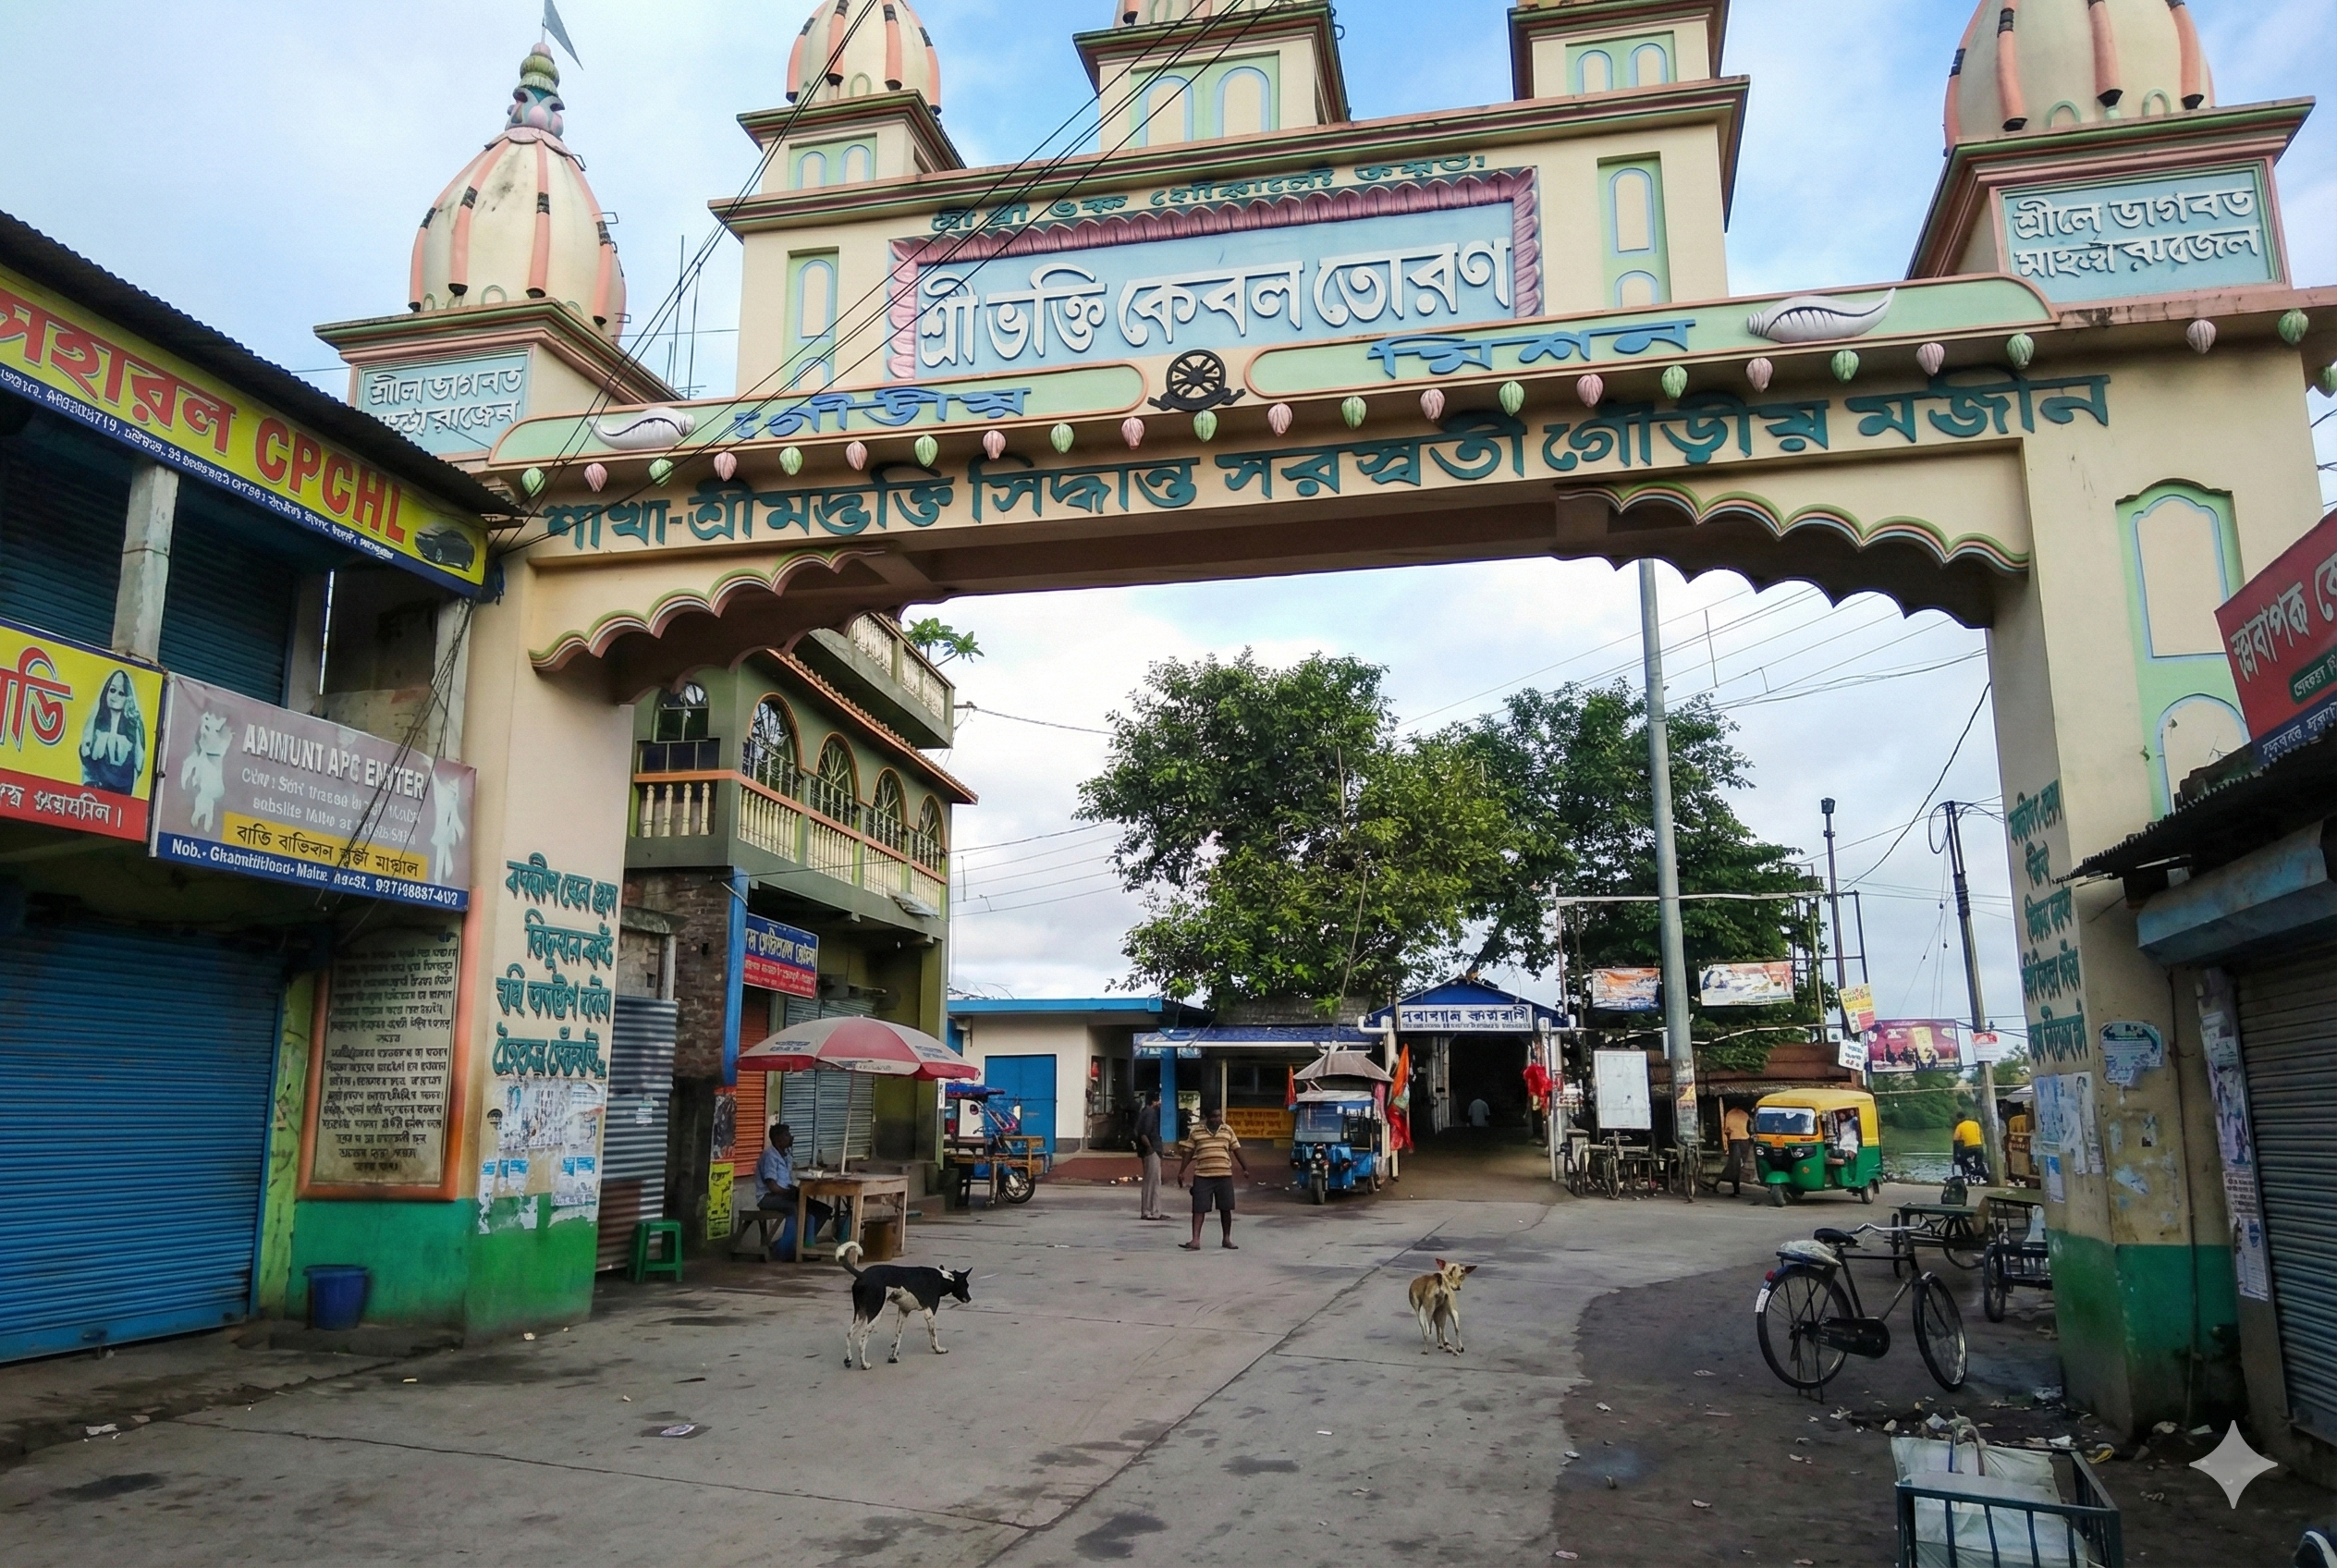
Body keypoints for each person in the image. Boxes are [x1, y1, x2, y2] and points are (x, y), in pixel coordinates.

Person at [1176, 1104, 1248, 1251]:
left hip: (1224, 1176)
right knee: (1198, 1209)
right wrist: (1182, 1171)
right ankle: (1195, 1240)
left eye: (1219, 1116)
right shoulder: (1196, 1132)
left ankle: (1226, 1239)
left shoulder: (1227, 1130)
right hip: (1203, 1176)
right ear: (1206, 1118)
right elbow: (1188, 1152)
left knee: (1226, 1208)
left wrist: (1245, 1168)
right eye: (1214, 1116)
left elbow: (1236, 1149)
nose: (1218, 1119)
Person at [755, 1123, 832, 1255]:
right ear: (778, 1138)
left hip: (783, 1195)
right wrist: (788, 1193)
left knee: (823, 1210)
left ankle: (802, 1243)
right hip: (768, 1198)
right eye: (787, 1135)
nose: (790, 1137)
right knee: (795, 1207)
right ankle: (788, 1250)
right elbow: (772, 1186)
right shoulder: (770, 1156)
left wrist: (793, 1191)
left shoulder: (786, 1155)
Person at [79, 668, 145, 794]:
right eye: (112, 690)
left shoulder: (132, 732)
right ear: (106, 692)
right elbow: (86, 763)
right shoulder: (95, 729)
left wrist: (136, 726)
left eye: (121, 693)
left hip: (122, 802)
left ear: (128, 698)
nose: (115, 697)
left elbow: (139, 764)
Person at [1133, 1091, 1168, 1220]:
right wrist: (1151, 1149)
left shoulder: (1146, 1112)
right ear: (1154, 1101)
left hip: (1151, 1150)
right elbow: (1143, 1134)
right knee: (1152, 1181)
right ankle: (1150, 1211)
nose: (1160, 1103)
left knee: (1154, 1181)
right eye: (1158, 1100)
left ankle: (1155, 1210)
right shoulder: (1150, 1113)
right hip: (1151, 1151)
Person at [1722, 1103, 1754, 1197]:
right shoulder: (1745, 1115)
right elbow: (1750, 1129)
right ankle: (1737, 1188)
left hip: (1733, 1140)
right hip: (1745, 1141)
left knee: (1734, 1166)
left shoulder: (1729, 1114)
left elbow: (1726, 1129)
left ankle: (1736, 1189)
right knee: (1739, 1164)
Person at [1952, 1112, 1989, 1183]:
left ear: (1958, 1118)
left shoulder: (1960, 1126)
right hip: (1979, 1146)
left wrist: (1956, 1155)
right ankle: (1983, 1175)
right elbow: (1980, 1135)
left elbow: (1956, 1140)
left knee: (1961, 1159)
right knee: (1978, 1163)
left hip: (1968, 1148)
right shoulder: (1975, 1124)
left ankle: (1970, 1170)